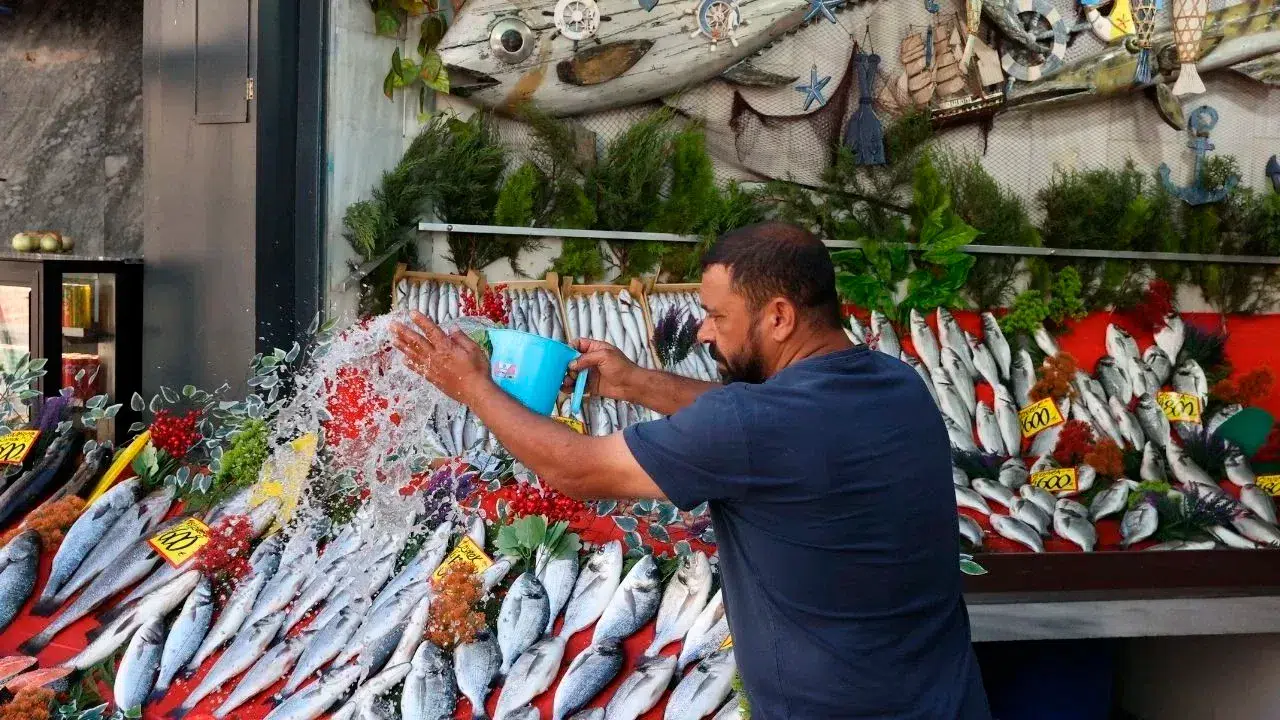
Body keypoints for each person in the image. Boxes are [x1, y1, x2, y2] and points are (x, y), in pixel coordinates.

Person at [392, 221, 990, 719]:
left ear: (779, 317)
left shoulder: (755, 425)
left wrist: (472, 386)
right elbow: (757, 423)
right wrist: (631, 382)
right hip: (948, 699)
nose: (703, 330)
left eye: (717, 316)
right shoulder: (894, 382)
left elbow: (577, 469)